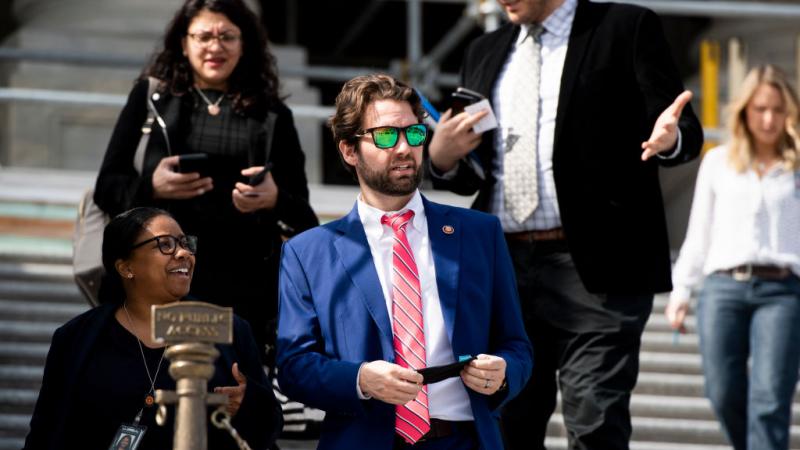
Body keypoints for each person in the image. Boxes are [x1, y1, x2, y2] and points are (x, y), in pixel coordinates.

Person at [427, 0, 704, 448]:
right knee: (504, 426)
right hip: (503, 269)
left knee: (595, 424)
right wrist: (441, 156)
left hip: (597, 270)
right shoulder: (484, 50)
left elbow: (680, 125)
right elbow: (472, 171)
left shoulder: (626, 27)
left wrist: (672, 138)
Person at [275, 74, 533, 449]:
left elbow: (516, 344)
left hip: (463, 439)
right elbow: (295, 366)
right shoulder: (308, 252)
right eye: (385, 136)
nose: (403, 148)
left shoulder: (480, 233)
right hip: (364, 439)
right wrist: (361, 379)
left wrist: (505, 372)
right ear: (349, 150)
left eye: (413, 135)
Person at [94, 0, 318, 369]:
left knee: (224, 397)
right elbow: (107, 186)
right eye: (204, 36)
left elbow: (303, 216)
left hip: (241, 286)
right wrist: (151, 186)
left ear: (245, 45)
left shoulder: (274, 115)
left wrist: (274, 198)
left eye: (227, 36)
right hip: (157, 274)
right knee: (145, 388)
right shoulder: (151, 98)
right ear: (184, 43)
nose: (215, 46)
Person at [23, 207, 283, 450]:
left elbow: (270, 425)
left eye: (185, 243)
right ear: (126, 267)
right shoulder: (76, 339)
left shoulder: (229, 329)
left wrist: (246, 404)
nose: (184, 254)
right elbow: (45, 433)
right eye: (165, 245)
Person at [665, 64, 800, 450]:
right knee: (722, 391)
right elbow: (699, 232)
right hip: (723, 288)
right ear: (744, 111)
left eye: (778, 109)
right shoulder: (718, 162)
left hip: (783, 291)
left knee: (770, 398)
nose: (769, 119)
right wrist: (680, 292)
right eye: (760, 109)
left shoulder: (797, 167)